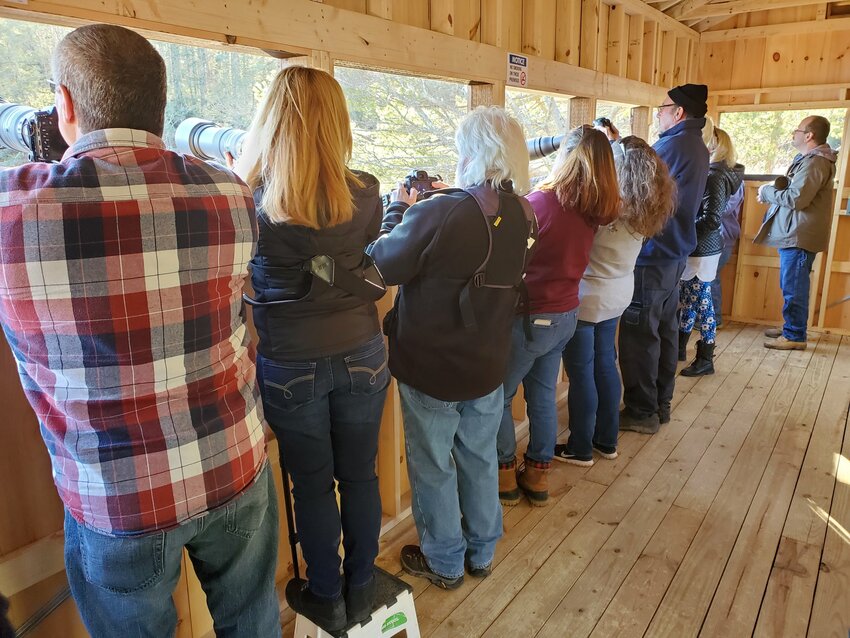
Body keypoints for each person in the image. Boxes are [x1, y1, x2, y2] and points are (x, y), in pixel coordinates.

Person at [0, 25, 279, 638]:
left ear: (64, 105)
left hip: (116, 499)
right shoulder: (229, 194)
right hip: (233, 461)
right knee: (253, 624)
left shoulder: (15, 211)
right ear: (160, 107)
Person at [234, 66, 389, 632]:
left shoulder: (248, 203)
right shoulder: (367, 193)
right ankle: (364, 585)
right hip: (363, 352)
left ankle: (325, 593)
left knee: (313, 485)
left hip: (291, 363)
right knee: (363, 477)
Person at [369, 106, 536, 590]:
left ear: (473, 153)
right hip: (488, 363)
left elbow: (381, 264)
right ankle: (482, 551)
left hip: (433, 367)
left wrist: (401, 208)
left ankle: (444, 561)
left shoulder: (441, 210)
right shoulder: (525, 214)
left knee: (433, 466)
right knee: (480, 457)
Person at [497, 125, 619, 503]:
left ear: (565, 157)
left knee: (499, 397)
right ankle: (537, 475)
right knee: (543, 396)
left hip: (531, 314)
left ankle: (503, 475)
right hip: (566, 312)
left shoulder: (542, 203)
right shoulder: (593, 208)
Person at [556, 135, 676, 464]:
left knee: (582, 374)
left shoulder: (604, 210)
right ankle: (606, 441)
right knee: (606, 366)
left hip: (587, 297)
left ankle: (580, 447)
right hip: (619, 293)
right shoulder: (645, 209)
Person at [618, 84, 710, 434]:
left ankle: (641, 412)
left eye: (662, 107)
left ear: (678, 112)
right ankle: (660, 403)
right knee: (665, 330)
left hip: (653, 253)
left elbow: (641, 192)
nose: (658, 113)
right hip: (675, 253)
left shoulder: (671, 146)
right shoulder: (696, 145)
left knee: (640, 333)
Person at [755, 115, 837, 350]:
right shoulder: (808, 160)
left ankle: (794, 335)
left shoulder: (815, 162)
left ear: (809, 135)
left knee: (794, 286)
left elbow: (797, 199)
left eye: (798, 130)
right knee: (791, 284)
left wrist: (768, 192)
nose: (794, 134)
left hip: (799, 235)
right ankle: (793, 326)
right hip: (796, 232)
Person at [678, 127, 744, 376]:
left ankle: (706, 358)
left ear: (716, 146)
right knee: (691, 301)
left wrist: (680, 228)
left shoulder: (715, 176)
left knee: (702, 303)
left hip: (701, 249)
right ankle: (681, 347)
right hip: (703, 247)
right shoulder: (719, 173)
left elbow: (712, 219)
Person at [711, 162, 745, 328]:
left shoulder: (734, 181)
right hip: (715, 234)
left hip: (723, 235)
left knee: (710, 276)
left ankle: (714, 318)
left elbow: (723, 209)